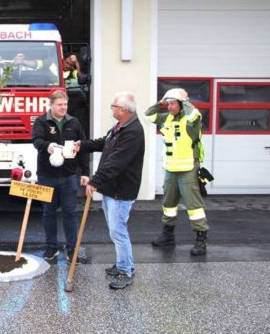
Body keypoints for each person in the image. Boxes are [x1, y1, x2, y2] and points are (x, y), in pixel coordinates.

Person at [75, 92, 145, 289]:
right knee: (116, 231)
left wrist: (95, 181)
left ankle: (126, 271)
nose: (111, 108)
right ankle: (124, 264)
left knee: (118, 231)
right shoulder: (120, 127)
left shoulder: (133, 132)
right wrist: (82, 145)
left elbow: (116, 163)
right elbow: (102, 143)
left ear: (123, 110)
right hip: (111, 189)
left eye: (113, 106)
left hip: (121, 191)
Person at [145, 88, 209, 256]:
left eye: (173, 103)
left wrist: (184, 100)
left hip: (188, 169)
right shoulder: (166, 118)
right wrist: (160, 104)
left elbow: (193, 113)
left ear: (181, 104)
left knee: (194, 207)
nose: (169, 106)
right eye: (168, 103)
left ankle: (201, 240)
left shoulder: (191, 120)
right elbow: (148, 115)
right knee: (168, 205)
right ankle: (168, 236)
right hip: (170, 169)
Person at [32, 90, 90, 263]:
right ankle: (51, 247)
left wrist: (85, 172)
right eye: (60, 105)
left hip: (69, 176)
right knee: (48, 213)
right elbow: (36, 140)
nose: (63, 107)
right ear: (51, 105)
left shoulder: (74, 122)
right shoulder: (41, 121)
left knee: (70, 213)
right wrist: (47, 145)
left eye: (65, 104)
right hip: (46, 176)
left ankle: (72, 249)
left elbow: (82, 147)